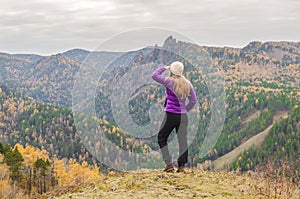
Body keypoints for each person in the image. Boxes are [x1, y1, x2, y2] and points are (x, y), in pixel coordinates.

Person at [152, 61, 197, 172]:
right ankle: (181, 166)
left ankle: (169, 164)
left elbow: (154, 75)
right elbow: (193, 100)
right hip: (183, 116)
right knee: (182, 140)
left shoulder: (170, 82)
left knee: (162, 138)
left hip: (171, 115)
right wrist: (184, 109)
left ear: (172, 70)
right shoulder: (187, 83)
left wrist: (164, 67)